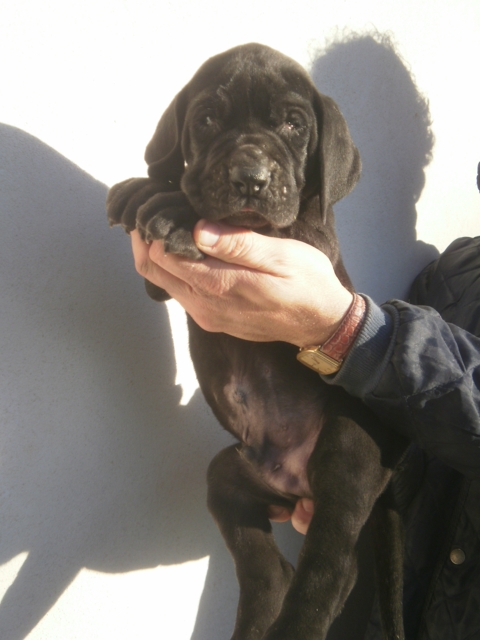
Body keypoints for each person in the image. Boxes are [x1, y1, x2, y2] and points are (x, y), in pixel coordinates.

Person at [131, 222, 480, 639]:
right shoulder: (457, 269)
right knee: (227, 482)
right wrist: (328, 476)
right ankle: (268, 584)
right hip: (372, 607)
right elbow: (402, 421)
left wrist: (348, 330)